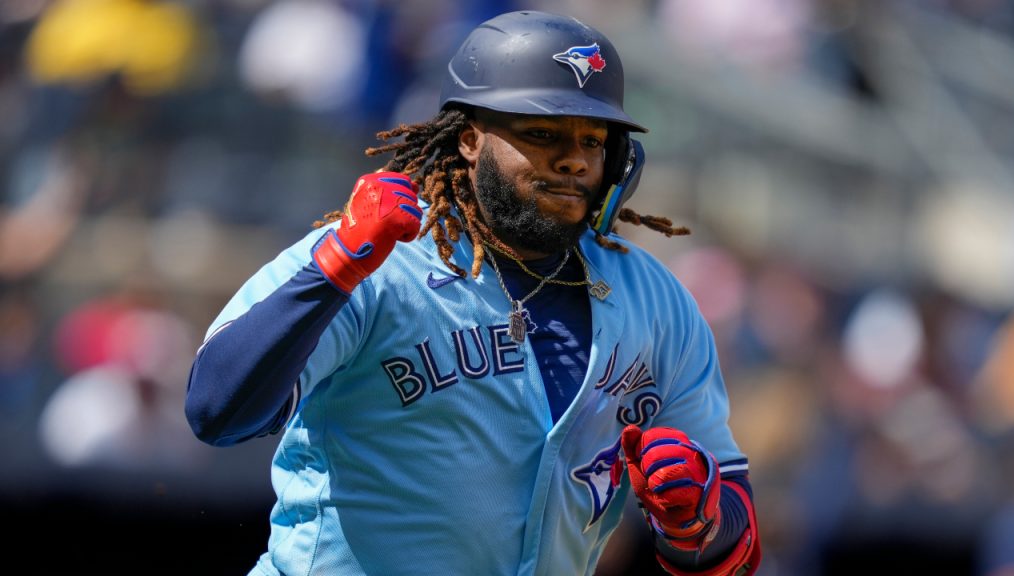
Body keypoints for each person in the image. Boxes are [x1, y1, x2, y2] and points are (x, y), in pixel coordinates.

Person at [186, 10, 760, 576]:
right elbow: (217, 409)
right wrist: (335, 269)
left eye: (594, 139)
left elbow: (733, 550)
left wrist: (698, 517)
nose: (574, 159)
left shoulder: (656, 301)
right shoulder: (374, 256)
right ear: (468, 139)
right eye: (542, 133)